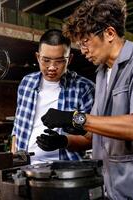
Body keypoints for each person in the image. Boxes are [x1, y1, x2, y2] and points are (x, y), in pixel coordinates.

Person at [36, 0, 133, 199]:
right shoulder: (102, 74)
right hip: (114, 189)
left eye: (85, 42)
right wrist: (64, 140)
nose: (82, 50)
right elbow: (95, 136)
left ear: (109, 33)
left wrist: (75, 118)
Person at [11, 29, 95, 164]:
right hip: (25, 170)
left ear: (70, 59)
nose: (51, 67)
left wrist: (63, 142)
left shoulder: (84, 88)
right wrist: (13, 158)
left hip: (66, 171)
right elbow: (17, 127)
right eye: (46, 60)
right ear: (38, 57)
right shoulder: (26, 83)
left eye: (59, 61)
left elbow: (94, 139)